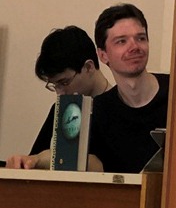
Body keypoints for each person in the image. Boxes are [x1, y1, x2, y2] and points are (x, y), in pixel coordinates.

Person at [5, 26, 111, 169]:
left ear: (88, 67)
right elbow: (32, 164)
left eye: (64, 82)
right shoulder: (60, 108)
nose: (59, 93)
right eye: (54, 85)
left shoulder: (119, 107)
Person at [88, 3, 169, 173]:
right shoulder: (99, 111)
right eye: (121, 41)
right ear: (103, 55)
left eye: (141, 38)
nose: (134, 47)